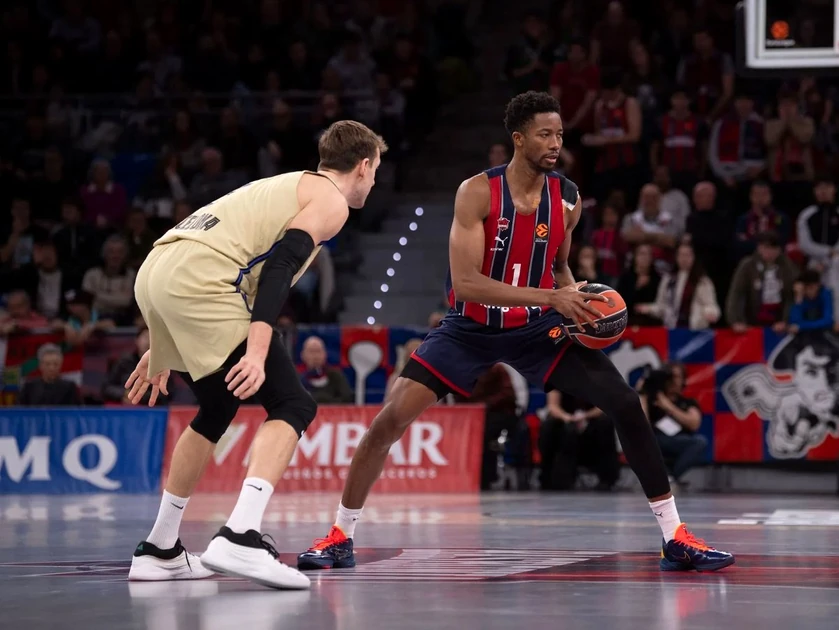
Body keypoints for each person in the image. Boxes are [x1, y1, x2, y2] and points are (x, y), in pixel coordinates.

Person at [298, 92, 734, 573]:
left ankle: (674, 536)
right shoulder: (477, 192)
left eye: (561, 134)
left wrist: (580, 307)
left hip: (536, 329)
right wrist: (553, 298)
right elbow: (465, 282)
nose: (555, 143)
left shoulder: (568, 199)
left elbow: (561, 266)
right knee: (387, 423)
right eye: (545, 134)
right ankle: (340, 535)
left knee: (626, 403)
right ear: (519, 138)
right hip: (469, 328)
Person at [124, 120, 386, 589]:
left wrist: (163, 334)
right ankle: (241, 536)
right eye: (376, 170)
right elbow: (283, 263)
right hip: (200, 283)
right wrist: (259, 350)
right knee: (293, 404)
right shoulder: (330, 199)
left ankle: (159, 548)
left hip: (158, 271)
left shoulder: (284, 184)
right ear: (363, 166)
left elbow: (207, 253)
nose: (374, 180)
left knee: (218, 405)